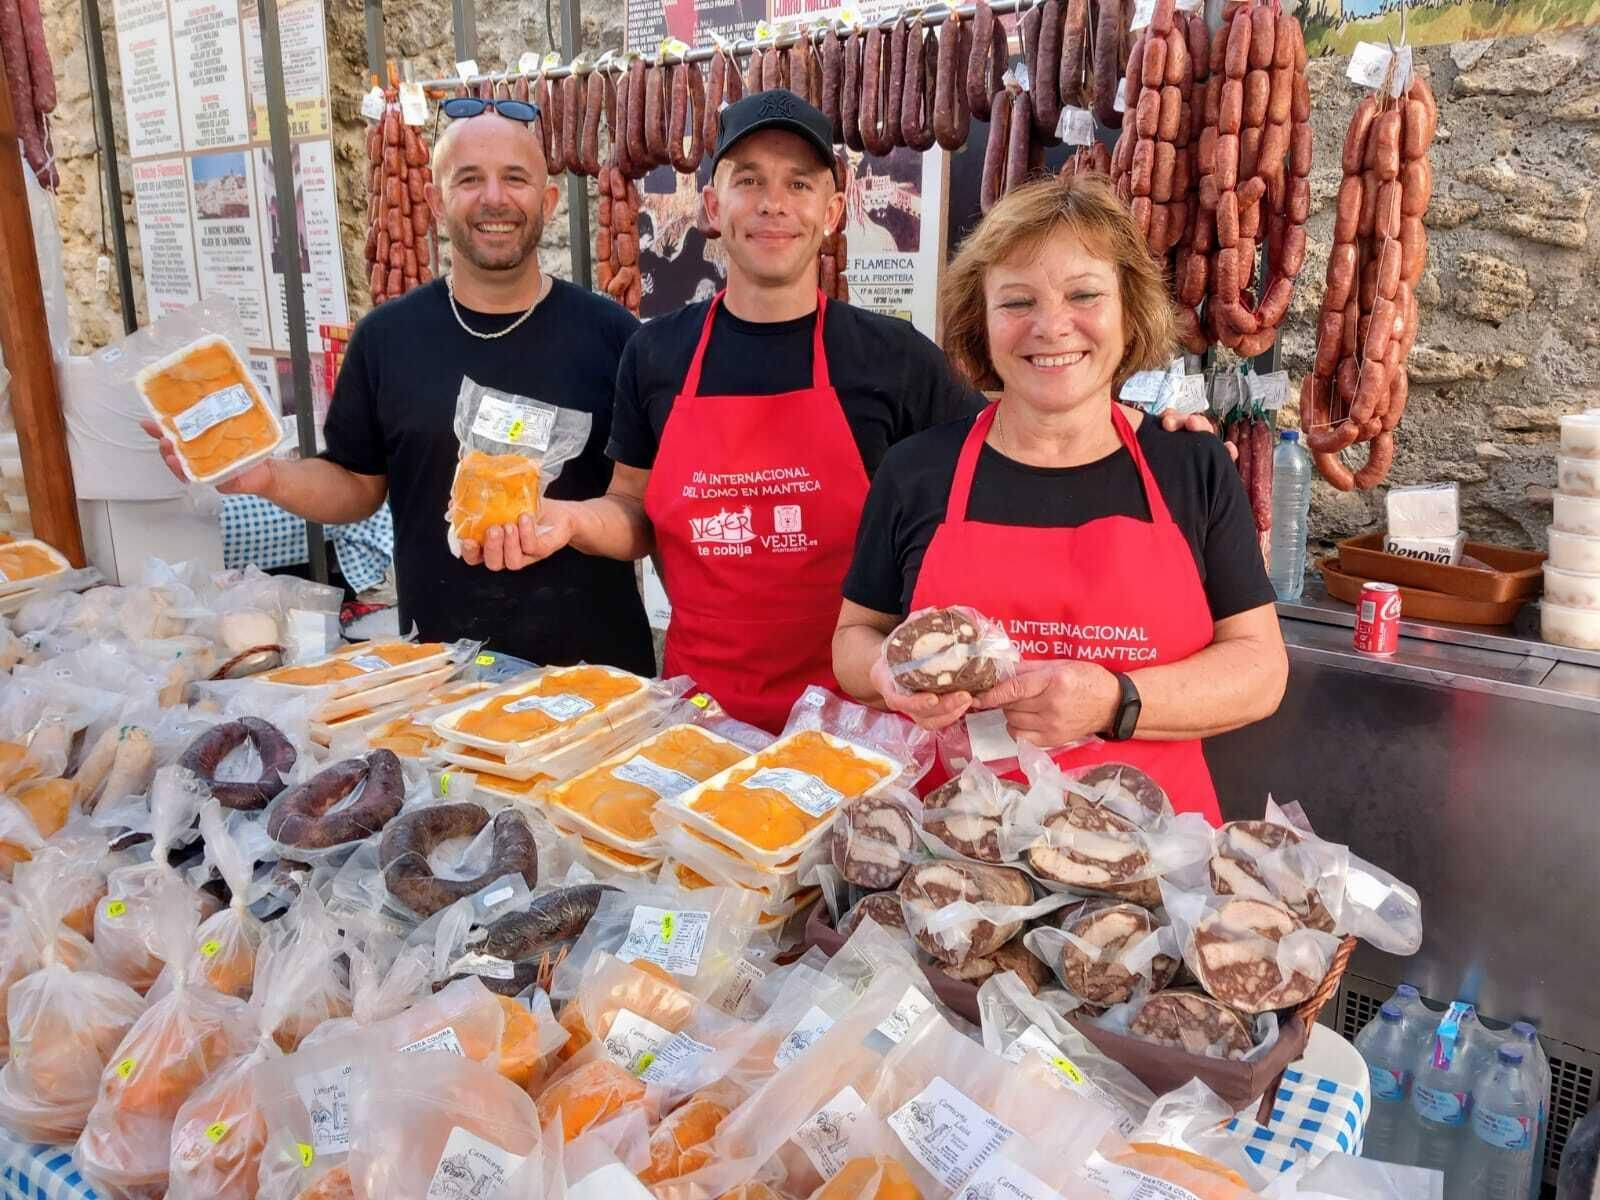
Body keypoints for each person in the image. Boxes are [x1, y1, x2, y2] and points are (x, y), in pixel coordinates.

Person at [471, 91, 1225, 733]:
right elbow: (635, 510)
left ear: (833, 211)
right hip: (698, 711)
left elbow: (1026, 424)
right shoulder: (654, 354)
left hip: (864, 718)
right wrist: (571, 522)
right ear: (710, 206)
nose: (774, 204)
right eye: (749, 181)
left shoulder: (892, 357)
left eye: (800, 185)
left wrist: (1139, 422)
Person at [831, 177, 1289, 822]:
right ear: (980, 324)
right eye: (1017, 301)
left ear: (1128, 312)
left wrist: (1115, 701)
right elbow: (854, 638)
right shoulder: (916, 470)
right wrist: (886, 674)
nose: (1051, 327)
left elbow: (1261, 669)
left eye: (1084, 295)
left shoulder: (1191, 464)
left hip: (1152, 858)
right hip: (954, 860)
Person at [144, 97, 654, 674]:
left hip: (598, 676)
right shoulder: (387, 337)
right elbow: (356, 487)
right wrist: (268, 476)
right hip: (441, 673)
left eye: (515, 179)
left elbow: (641, 517)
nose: (494, 198)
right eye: (469, 180)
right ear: (436, 202)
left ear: (549, 200)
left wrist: (571, 522)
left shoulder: (615, 336)